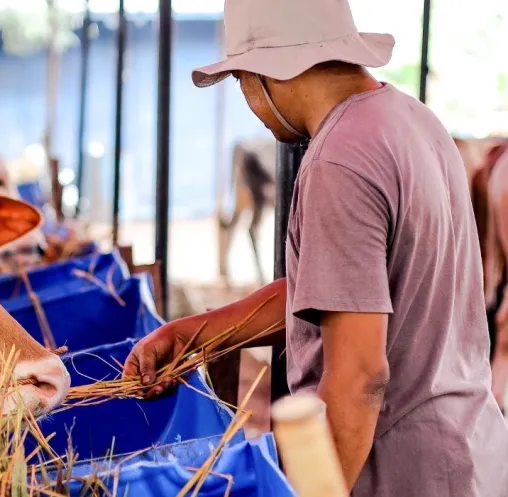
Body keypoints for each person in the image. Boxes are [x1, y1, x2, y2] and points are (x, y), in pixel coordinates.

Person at [122, 0, 508, 495]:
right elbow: (343, 295)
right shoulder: (415, 120)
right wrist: (195, 333)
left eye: (241, 79)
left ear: (268, 72)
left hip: (398, 473)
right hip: (472, 448)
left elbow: (358, 378)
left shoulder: (339, 159)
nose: (247, 99)